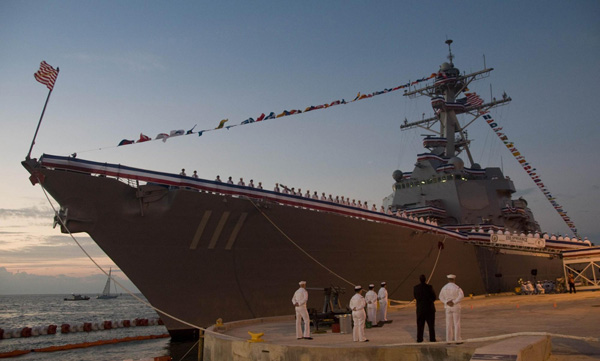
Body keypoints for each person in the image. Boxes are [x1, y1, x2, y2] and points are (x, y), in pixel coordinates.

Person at [438, 274, 464, 342]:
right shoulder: (457, 287)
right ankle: (457, 339)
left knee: (448, 324)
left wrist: (446, 302)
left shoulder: (444, 288)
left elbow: (440, 297)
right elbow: (461, 296)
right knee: (456, 323)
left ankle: (448, 339)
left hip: (448, 307)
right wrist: (454, 302)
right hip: (455, 307)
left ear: (448, 279)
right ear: (454, 279)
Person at [413, 274, 436, 342]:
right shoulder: (429, 287)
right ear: (425, 279)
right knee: (431, 326)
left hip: (420, 309)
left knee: (420, 325)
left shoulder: (416, 288)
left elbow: (415, 297)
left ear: (419, 280)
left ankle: (419, 339)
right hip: (429, 309)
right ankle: (432, 339)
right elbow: (434, 297)